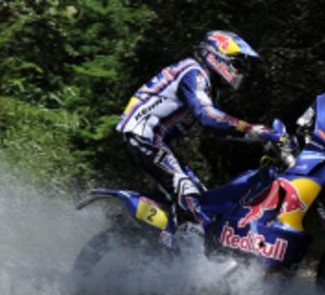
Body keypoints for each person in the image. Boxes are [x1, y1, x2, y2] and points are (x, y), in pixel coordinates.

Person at [115, 30, 284, 233]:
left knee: (202, 198)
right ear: (216, 56)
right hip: (143, 136)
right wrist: (254, 129)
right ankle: (185, 251)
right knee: (189, 196)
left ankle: (164, 240)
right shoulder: (193, 72)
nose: (240, 72)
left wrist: (254, 138)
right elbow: (208, 117)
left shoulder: (205, 82)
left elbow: (214, 130)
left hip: (152, 139)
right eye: (237, 64)